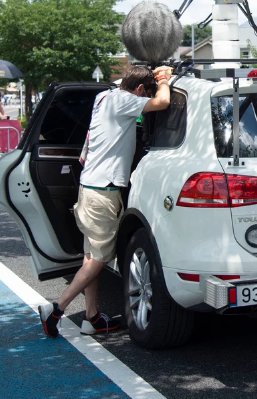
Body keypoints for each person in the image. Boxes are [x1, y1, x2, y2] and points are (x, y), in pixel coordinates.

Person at [39, 65, 173, 337]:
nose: (143, 100)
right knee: (98, 260)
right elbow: (163, 102)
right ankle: (56, 309)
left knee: (91, 257)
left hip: (89, 187)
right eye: (142, 94)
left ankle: (92, 318)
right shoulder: (125, 101)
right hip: (103, 193)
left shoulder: (105, 96)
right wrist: (164, 81)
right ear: (137, 90)